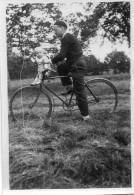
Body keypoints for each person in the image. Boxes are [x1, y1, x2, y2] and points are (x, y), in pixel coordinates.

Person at [51, 21, 91, 121]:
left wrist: (50, 61)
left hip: (77, 65)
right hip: (72, 63)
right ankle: (69, 87)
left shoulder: (66, 37)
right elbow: (64, 56)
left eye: (55, 30)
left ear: (62, 28)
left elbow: (62, 55)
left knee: (80, 92)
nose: (54, 32)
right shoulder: (65, 38)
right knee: (61, 67)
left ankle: (86, 117)